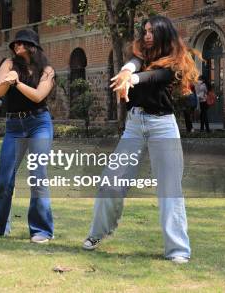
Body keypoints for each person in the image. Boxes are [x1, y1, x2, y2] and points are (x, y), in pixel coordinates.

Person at [82, 15, 199, 264]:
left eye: (152, 31)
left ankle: (178, 250)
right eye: (145, 31)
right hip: (134, 126)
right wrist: (126, 72)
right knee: (110, 181)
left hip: (163, 127)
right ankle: (98, 233)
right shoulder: (139, 55)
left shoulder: (174, 63)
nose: (147, 35)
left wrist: (132, 79)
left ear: (163, 34)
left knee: (170, 189)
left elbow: (154, 77)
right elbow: (133, 65)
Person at [0, 29, 57, 244]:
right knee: (5, 179)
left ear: (33, 46)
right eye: (15, 44)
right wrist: (8, 79)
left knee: (37, 175)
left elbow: (38, 96)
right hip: (14, 126)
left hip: (39, 123)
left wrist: (17, 82)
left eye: (22, 44)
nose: (17, 47)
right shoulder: (8, 64)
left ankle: (41, 230)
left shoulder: (47, 70)